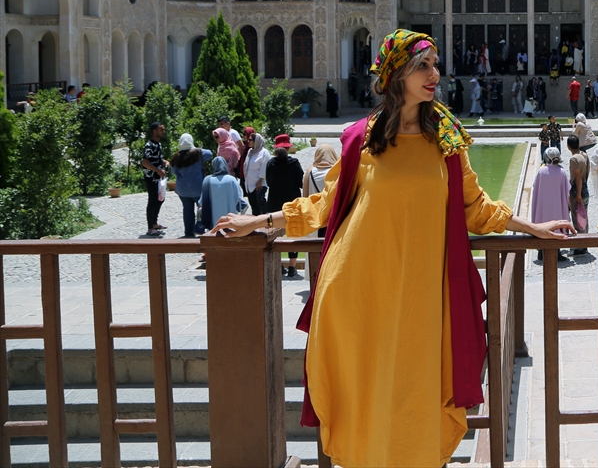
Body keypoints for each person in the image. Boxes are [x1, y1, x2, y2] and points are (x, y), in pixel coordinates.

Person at [214, 29, 571, 467]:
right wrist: (258, 220)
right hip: (360, 292)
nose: (434, 74)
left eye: (434, 65)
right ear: (396, 73)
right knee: (368, 398)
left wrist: (533, 227)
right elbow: (324, 205)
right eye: (423, 65)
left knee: (417, 398)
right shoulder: (362, 138)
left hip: (422, 296)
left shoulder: (446, 137)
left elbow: (474, 207)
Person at [266, 134, 305, 279]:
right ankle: (292, 267)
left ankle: (278, 265)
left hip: (274, 201)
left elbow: (269, 182)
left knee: (273, 235)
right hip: (292, 202)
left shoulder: (271, 163)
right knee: (293, 233)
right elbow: (300, 182)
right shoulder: (294, 163)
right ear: (288, 147)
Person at [531, 147, 570, 263]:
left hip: (543, 205)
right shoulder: (562, 172)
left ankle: (540, 252)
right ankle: (557, 252)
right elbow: (567, 190)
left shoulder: (541, 171)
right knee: (557, 225)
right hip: (557, 205)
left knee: (542, 222)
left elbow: (535, 187)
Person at [170, 134, 212, 238]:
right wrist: (197, 149)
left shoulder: (176, 157)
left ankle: (188, 233)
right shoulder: (198, 154)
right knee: (202, 208)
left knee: (187, 210)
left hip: (183, 190)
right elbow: (210, 154)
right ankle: (201, 228)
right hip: (198, 188)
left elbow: (174, 172)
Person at [199, 156, 242, 242]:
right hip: (230, 218)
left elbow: (201, 202)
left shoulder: (207, 180)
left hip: (212, 220)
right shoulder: (232, 180)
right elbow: (238, 198)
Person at [140, 122, 169, 238]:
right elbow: (145, 162)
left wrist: (164, 162)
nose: (163, 131)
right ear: (154, 131)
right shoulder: (149, 145)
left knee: (160, 199)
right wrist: (157, 170)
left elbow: (157, 158)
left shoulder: (158, 144)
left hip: (159, 178)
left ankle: (155, 223)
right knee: (152, 201)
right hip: (151, 178)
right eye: (161, 129)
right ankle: (150, 227)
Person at [566, 135, 590, 256]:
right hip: (585, 187)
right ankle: (584, 243)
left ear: (568, 146)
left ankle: (580, 246)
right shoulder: (584, 155)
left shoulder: (574, 159)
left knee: (577, 217)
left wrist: (578, 194)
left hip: (578, 190)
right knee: (584, 216)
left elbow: (578, 177)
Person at [242, 133, 268, 215]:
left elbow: (265, 166)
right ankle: (256, 222)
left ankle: (267, 220)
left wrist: (261, 179)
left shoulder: (264, 153)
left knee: (260, 202)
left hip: (259, 183)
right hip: (249, 183)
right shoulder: (250, 151)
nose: (248, 141)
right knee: (253, 204)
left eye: (250, 140)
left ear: (256, 141)